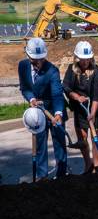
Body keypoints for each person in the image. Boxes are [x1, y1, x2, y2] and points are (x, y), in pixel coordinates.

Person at [18, 37, 67, 179]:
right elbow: (25, 88)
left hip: (54, 110)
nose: (38, 63)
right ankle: (42, 179)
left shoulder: (52, 71)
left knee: (59, 144)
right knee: (40, 145)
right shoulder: (23, 66)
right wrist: (32, 99)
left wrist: (58, 113)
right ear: (28, 55)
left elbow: (57, 94)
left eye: (41, 59)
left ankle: (62, 177)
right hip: (37, 113)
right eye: (35, 59)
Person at [63, 41, 98, 173]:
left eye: (88, 59)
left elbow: (97, 95)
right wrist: (76, 96)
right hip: (80, 108)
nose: (85, 62)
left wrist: (92, 113)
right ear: (77, 58)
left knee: (95, 137)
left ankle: (97, 165)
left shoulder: (97, 72)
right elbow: (65, 86)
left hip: (96, 108)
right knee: (82, 138)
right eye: (82, 59)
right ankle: (88, 164)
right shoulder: (71, 70)